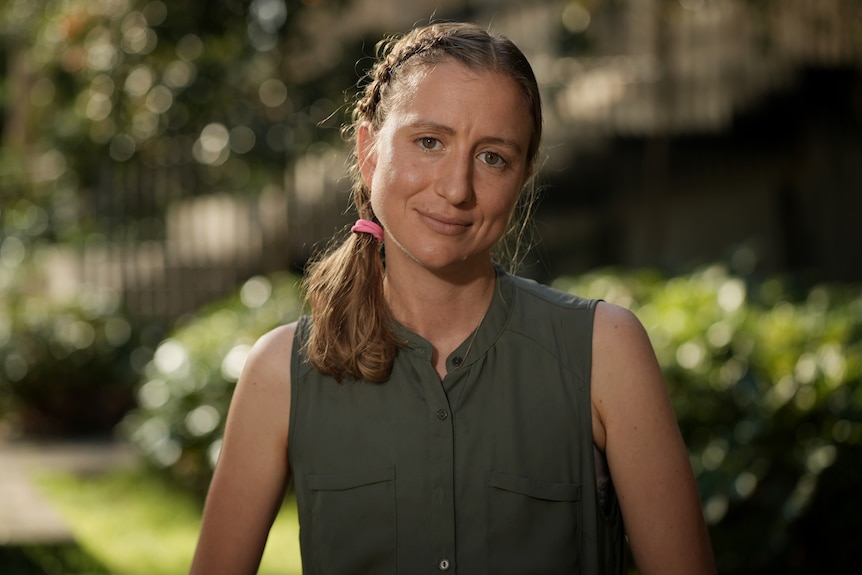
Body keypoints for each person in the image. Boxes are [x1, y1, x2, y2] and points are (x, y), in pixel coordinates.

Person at [189, 21, 716, 575]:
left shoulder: (605, 352)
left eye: (493, 158)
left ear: (522, 180)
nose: (457, 187)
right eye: (429, 142)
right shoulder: (281, 374)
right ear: (368, 152)